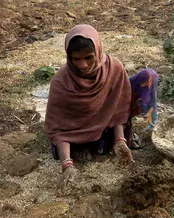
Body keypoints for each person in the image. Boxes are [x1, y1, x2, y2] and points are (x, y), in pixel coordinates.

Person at [44, 24, 158, 193]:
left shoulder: (113, 68)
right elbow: (59, 129)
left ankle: (115, 139)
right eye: (76, 59)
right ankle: (85, 145)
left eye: (89, 57)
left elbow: (118, 109)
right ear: (69, 57)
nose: (83, 65)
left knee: (149, 76)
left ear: (98, 51)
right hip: (78, 130)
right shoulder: (61, 82)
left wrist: (120, 141)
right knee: (77, 146)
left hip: (107, 126)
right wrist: (67, 164)